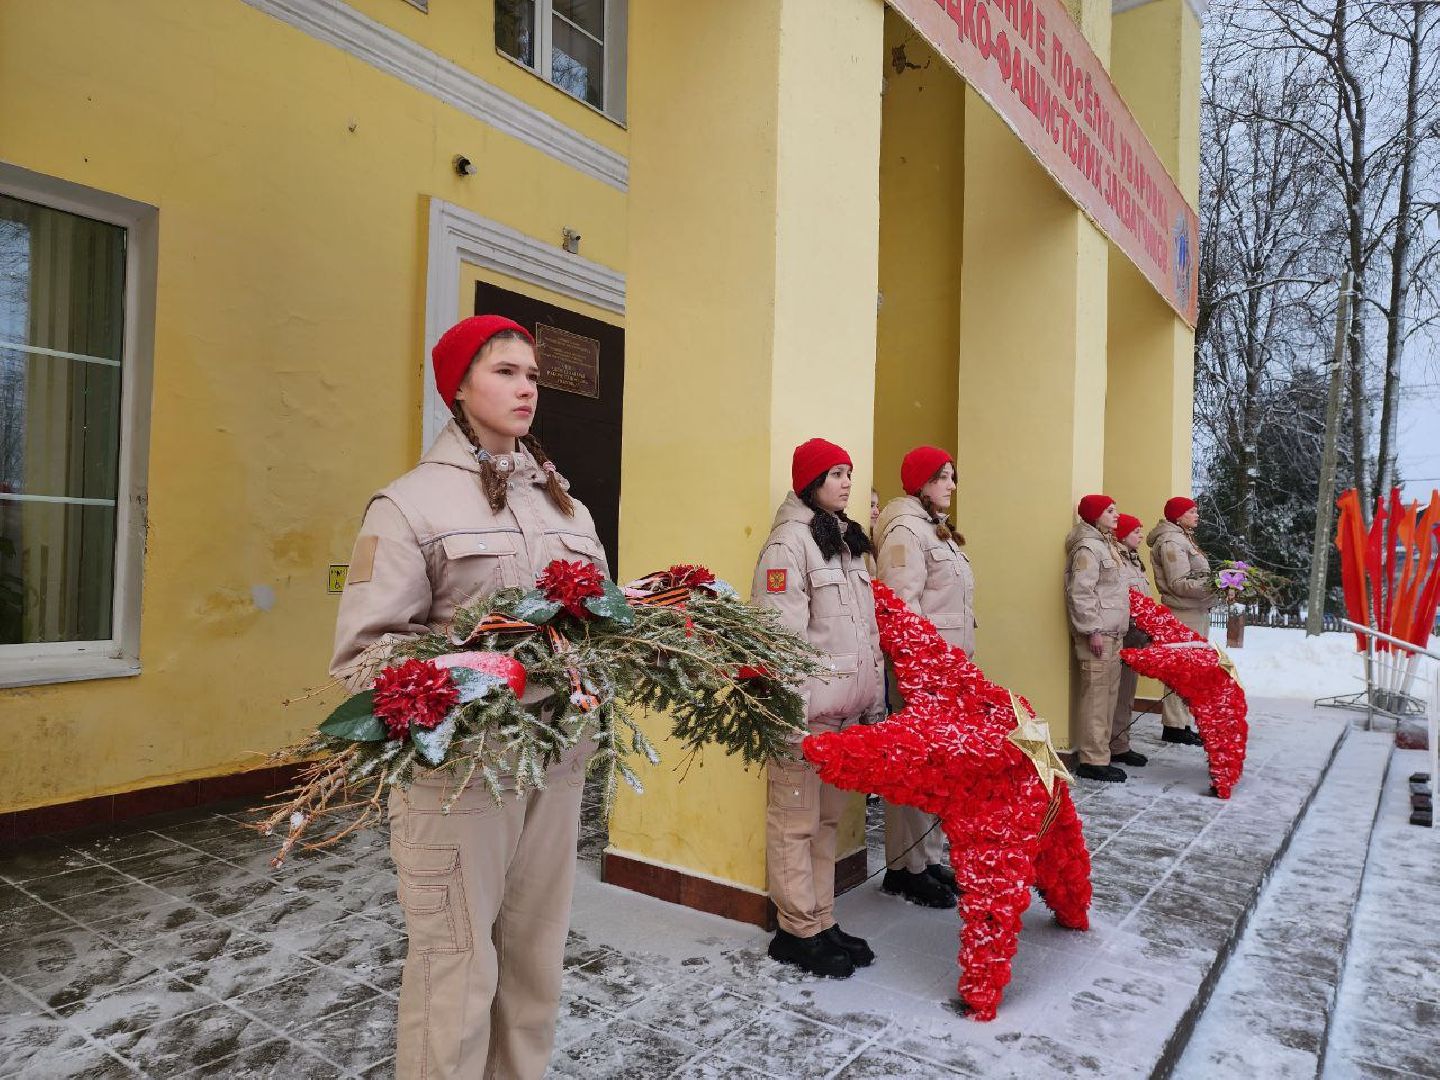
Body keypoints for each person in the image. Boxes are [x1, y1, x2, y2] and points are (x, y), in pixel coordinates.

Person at [330, 315, 609, 1079]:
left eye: (532, 376)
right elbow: (366, 655)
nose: (526, 389)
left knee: (535, 957)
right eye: (505, 373)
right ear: (457, 387)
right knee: (455, 966)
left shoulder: (567, 509)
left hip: (553, 765)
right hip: (460, 775)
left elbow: (595, 624)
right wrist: (475, 675)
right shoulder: (407, 506)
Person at [752, 438, 886, 979]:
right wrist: (791, 712)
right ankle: (796, 929)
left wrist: (871, 701)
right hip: (804, 716)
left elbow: (864, 632)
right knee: (795, 820)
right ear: (810, 481)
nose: (846, 482)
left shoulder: (843, 541)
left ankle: (822, 918)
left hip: (841, 715)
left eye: (849, 473)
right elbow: (777, 638)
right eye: (834, 474)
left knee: (828, 820)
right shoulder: (790, 544)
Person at [873, 446, 973, 908]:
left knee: (936, 767)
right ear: (922, 481)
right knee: (914, 766)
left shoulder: (932, 526)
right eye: (945, 477)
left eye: (952, 476)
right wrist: (918, 667)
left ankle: (928, 859)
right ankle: (906, 867)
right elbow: (901, 603)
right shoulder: (904, 529)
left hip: (946, 668)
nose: (952, 485)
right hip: (922, 670)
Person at [1064, 494, 1131, 782]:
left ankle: (1101, 752)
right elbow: (1081, 591)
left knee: (1107, 696)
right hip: (1098, 635)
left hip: (1111, 633)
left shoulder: (1105, 544)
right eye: (1110, 511)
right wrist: (1091, 629)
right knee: (1096, 697)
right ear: (1094, 515)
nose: (1116, 515)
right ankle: (1092, 759)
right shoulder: (1088, 548)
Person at [1147, 497, 1212, 746]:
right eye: (1192, 511)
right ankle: (1174, 725)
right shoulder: (1172, 542)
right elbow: (1179, 583)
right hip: (1183, 612)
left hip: (1194, 610)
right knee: (1182, 669)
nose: (1197, 515)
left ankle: (1181, 722)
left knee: (1191, 670)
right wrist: (1217, 586)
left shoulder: (1183, 537)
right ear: (1178, 515)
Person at [1108, 513, 1151, 768]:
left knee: (1126, 693)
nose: (1141, 535)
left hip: (1135, 633)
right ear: (1122, 534)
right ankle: (1114, 743)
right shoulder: (1119, 561)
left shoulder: (1133, 560)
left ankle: (1121, 743)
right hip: (1123, 632)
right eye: (1136, 531)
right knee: (1117, 693)